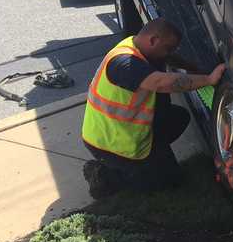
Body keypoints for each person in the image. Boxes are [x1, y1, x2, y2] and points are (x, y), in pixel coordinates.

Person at [81, 18, 225, 197]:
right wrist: (208, 79)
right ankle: (104, 175)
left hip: (128, 130)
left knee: (179, 117)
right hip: (110, 143)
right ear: (153, 40)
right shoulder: (125, 63)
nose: (169, 53)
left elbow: (169, 57)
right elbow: (160, 83)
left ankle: (155, 159)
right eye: (168, 48)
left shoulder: (142, 47)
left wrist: (194, 68)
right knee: (165, 183)